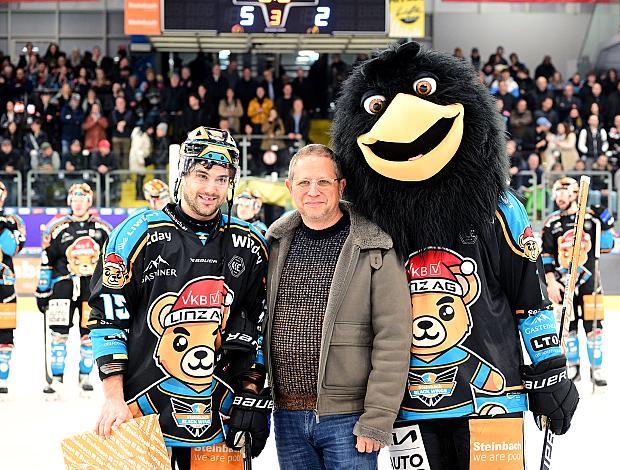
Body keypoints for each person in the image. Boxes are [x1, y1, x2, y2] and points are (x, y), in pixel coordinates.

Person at [331, 42, 578, 470]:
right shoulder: (370, 222)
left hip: (492, 399)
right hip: (406, 406)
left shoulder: (498, 207)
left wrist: (548, 363)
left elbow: (530, 294)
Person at [88, 127, 270, 467]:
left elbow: (261, 325)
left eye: (221, 178)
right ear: (182, 173)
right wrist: (112, 397)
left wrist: (251, 392)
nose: (211, 188)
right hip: (140, 414)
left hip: (219, 417)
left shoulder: (249, 244)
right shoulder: (136, 234)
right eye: (202, 175)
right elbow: (107, 318)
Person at [264, 144, 412, 468]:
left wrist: (377, 417)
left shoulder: (375, 246)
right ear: (290, 188)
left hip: (349, 419)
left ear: (340, 186)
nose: (313, 191)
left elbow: (394, 337)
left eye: (323, 182)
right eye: (303, 183)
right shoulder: (275, 243)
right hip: (288, 417)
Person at [36, 184, 112, 397]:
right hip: (63, 286)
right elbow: (46, 261)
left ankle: (85, 376)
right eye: (75, 199)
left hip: (91, 288)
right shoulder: (57, 227)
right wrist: (42, 290)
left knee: (89, 333)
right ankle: (57, 377)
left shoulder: (103, 228)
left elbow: (111, 261)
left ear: (90, 202)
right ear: (69, 201)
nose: (78, 203)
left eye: (83, 199)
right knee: (58, 333)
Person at [542, 177, 615, 386]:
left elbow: (608, 247)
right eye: (556, 193)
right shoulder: (551, 223)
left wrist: (607, 225)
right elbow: (545, 255)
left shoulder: (590, 220)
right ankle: (573, 367)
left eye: (563, 192)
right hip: (563, 284)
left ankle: (597, 368)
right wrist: (550, 283)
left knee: (594, 327)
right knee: (568, 326)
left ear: (575, 194)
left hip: (590, 282)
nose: (559, 197)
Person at [0, 182, 25, 394]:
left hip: (5, 284)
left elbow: (13, 248)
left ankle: (2, 379)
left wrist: (3, 228)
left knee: (5, 332)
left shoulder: (13, 221)